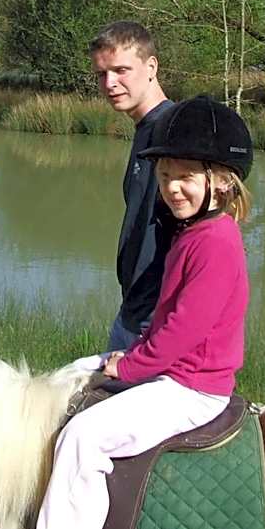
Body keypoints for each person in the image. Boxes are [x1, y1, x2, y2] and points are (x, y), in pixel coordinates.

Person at [36, 95, 254, 529]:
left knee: (83, 437)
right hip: (173, 373)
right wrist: (129, 357)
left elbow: (183, 330)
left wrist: (130, 366)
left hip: (192, 388)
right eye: (165, 175)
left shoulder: (215, 243)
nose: (172, 188)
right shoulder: (193, 232)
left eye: (186, 177)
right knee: (70, 374)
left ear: (222, 182)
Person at [89, 21, 174, 351]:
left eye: (121, 70)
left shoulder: (173, 133)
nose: (110, 83)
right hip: (131, 312)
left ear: (151, 67)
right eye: (101, 74)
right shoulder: (145, 129)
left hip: (155, 323)